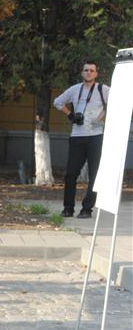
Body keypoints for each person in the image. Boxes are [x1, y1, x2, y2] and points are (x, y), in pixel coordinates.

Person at [53, 61, 109, 218]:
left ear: (96, 73)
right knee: (70, 174)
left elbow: (117, 102)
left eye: (92, 70)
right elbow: (57, 102)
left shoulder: (102, 89)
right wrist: (71, 115)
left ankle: (87, 209)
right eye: (86, 70)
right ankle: (68, 208)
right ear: (82, 73)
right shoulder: (74, 89)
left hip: (95, 137)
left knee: (94, 174)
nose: (89, 73)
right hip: (77, 136)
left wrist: (102, 117)